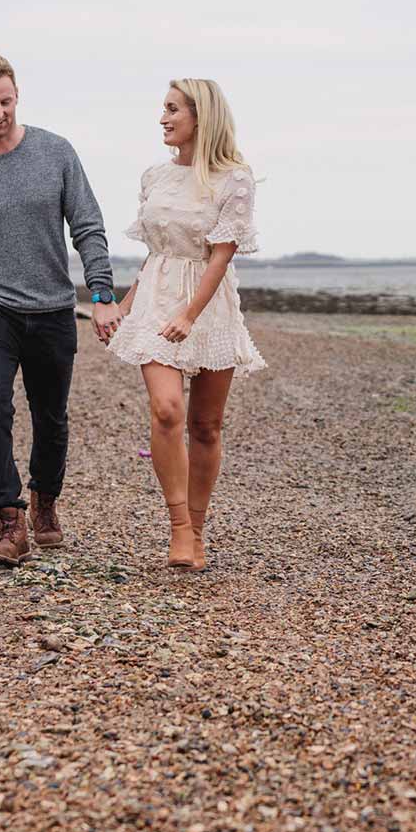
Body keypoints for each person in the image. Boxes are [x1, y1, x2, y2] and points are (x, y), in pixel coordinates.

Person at [0, 52, 123, 566]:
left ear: (18, 97)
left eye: (6, 102)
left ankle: (44, 501)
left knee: (51, 416)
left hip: (53, 307)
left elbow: (88, 227)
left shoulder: (56, 152)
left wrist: (102, 296)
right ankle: (9, 520)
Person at [107, 78, 266, 570]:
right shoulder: (155, 176)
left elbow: (221, 256)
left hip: (209, 305)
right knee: (167, 409)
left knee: (206, 426)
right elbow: (157, 253)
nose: (163, 118)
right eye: (164, 108)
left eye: (173, 109)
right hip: (157, 302)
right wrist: (125, 302)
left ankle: (197, 528)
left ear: (202, 116)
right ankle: (178, 527)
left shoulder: (235, 179)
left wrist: (190, 314)